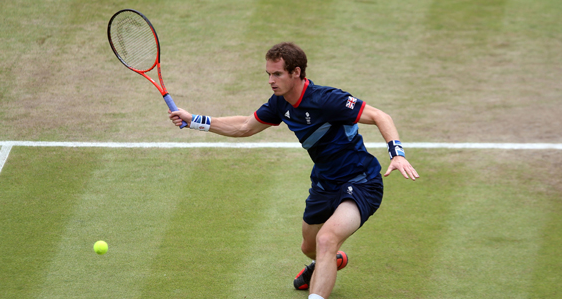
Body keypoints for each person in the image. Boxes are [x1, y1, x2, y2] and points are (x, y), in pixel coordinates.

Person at [169, 42, 419, 299]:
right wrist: (195, 121)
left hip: (361, 181)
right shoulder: (280, 104)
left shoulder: (327, 100)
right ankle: (330, 262)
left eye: (277, 74)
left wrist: (397, 154)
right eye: (268, 74)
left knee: (326, 240)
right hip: (324, 183)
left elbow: (381, 116)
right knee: (310, 247)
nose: (271, 80)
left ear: (296, 72)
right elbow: (244, 126)